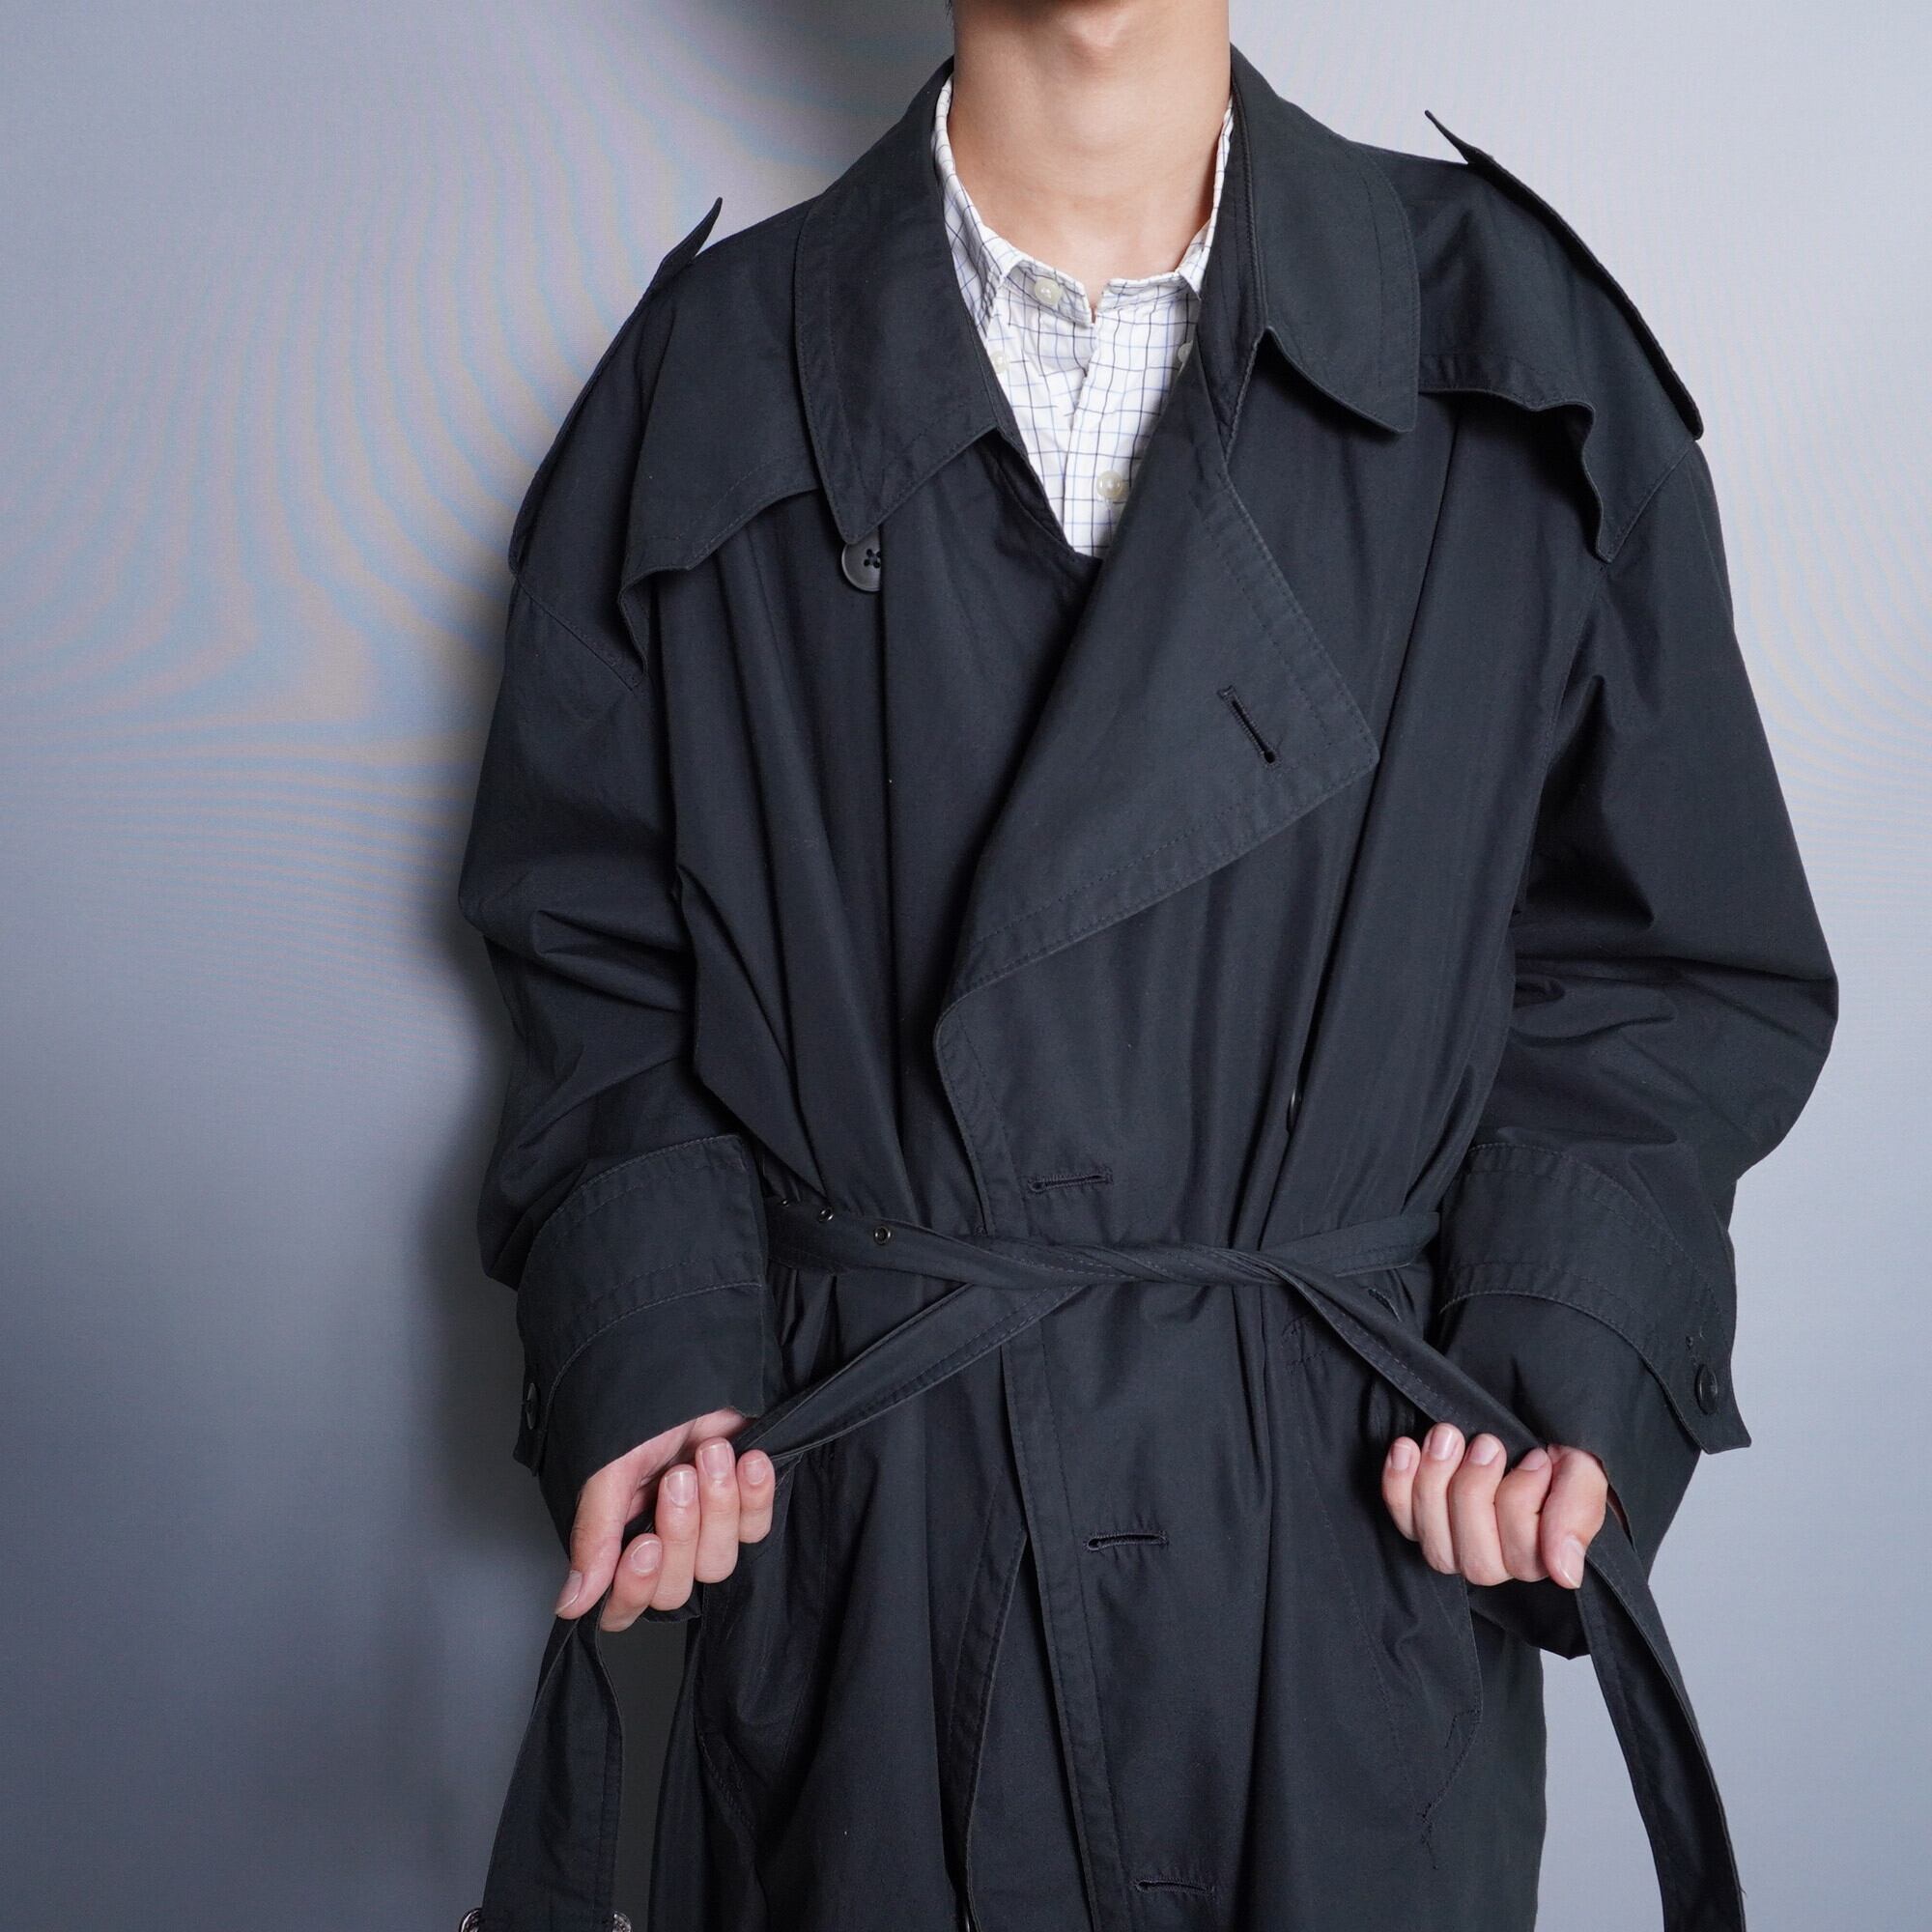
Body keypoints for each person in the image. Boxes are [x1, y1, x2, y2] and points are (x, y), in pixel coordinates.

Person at [454, 7, 1837, 1930]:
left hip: (1354, 1570)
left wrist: (1556, 1361)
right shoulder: (705, 384)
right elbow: (595, 966)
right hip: (870, 1582)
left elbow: (1665, 960)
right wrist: (660, 1352)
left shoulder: (1523, 359)